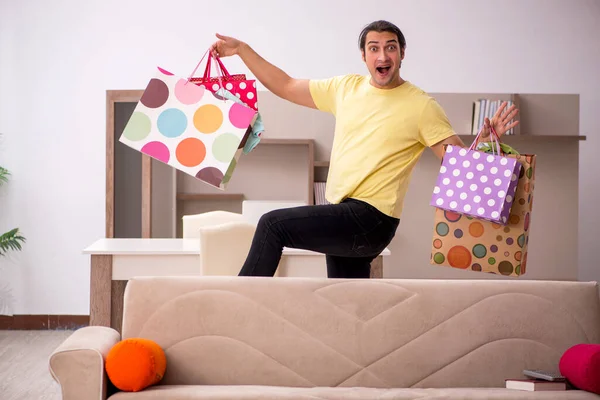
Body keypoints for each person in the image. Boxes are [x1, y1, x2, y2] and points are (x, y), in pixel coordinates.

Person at [209, 20, 519, 279]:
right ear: (364, 55)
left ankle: (238, 304)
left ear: (401, 54)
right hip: (343, 213)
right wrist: (242, 51)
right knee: (348, 308)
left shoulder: (422, 105)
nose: (382, 55)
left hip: (371, 219)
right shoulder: (346, 89)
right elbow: (287, 86)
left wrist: (489, 141)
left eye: (390, 47)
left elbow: (457, 165)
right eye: (374, 48)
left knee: (271, 225)